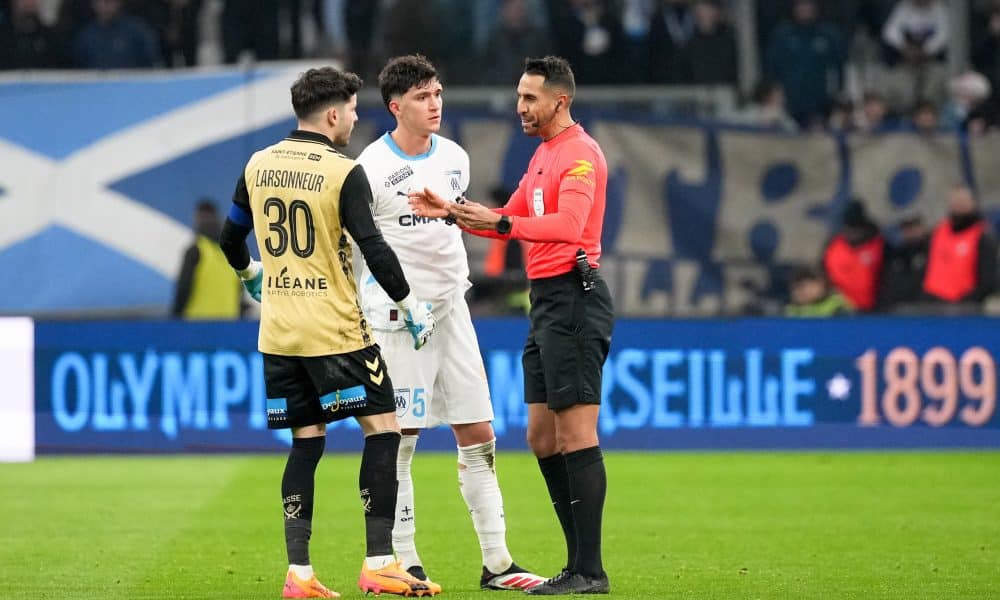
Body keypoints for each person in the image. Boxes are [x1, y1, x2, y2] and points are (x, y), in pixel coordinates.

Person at [217, 66, 437, 599]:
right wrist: (410, 304)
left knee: (306, 443)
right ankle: (381, 562)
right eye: (354, 110)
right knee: (384, 429)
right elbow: (375, 247)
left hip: (279, 333)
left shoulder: (257, 164)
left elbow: (229, 237)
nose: (356, 118)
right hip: (336, 330)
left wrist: (251, 275)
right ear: (334, 113)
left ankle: (299, 574)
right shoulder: (343, 171)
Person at [410, 55, 614, 596]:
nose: (519, 107)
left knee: (575, 434)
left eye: (530, 98)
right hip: (545, 302)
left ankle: (589, 571)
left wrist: (500, 221)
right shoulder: (544, 156)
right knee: (541, 436)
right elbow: (507, 219)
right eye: (519, 96)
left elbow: (568, 226)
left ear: (560, 101)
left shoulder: (580, 156)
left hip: (574, 298)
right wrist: (450, 210)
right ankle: (577, 564)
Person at [354, 54, 545, 594]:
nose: (434, 103)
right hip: (398, 319)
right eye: (421, 96)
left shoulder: (455, 159)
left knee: (479, 433)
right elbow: (359, 248)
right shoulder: (369, 168)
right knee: (401, 440)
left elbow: (457, 222)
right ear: (396, 107)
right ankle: (406, 563)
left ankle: (498, 564)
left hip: (452, 309)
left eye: (437, 92)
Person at [922, 185, 998, 305]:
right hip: (932, 302)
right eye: (955, 202)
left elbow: (988, 279)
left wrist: (967, 301)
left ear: (973, 204)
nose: (958, 206)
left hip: (964, 306)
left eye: (962, 202)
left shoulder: (982, 235)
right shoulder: (938, 231)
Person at [171, 200, 242, 319]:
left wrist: (174, 319)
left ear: (197, 219)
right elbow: (240, 293)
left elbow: (183, 289)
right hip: (229, 329)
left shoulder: (195, 251)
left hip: (198, 328)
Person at [822, 199, 885, 312]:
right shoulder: (833, 246)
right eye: (849, 229)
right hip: (840, 309)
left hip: (873, 310)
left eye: (855, 229)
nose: (852, 234)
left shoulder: (879, 246)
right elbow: (823, 272)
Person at [784, 264, 852, 317]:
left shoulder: (836, 307)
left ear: (821, 284)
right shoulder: (790, 311)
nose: (798, 291)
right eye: (795, 287)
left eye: (803, 286)